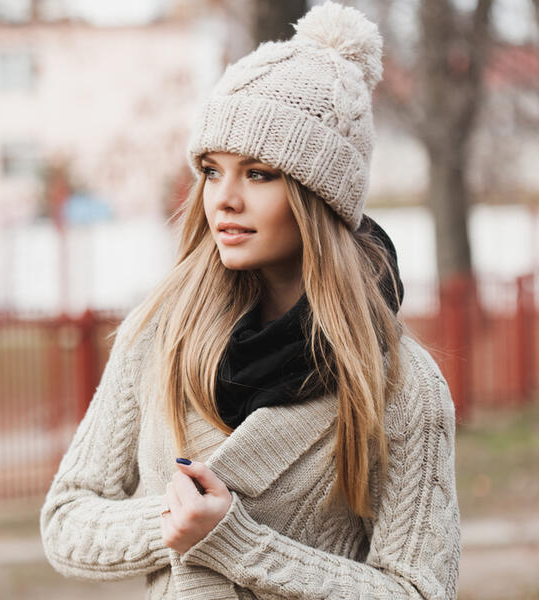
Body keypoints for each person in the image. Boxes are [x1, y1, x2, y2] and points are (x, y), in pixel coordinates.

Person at [40, 2, 461, 599]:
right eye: (212, 170)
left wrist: (236, 541)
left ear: (319, 195)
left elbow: (420, 591)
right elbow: (67, 521)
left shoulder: (401, 384)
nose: (223, 200)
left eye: (259, 173)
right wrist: (171, 517)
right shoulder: (161, 333)